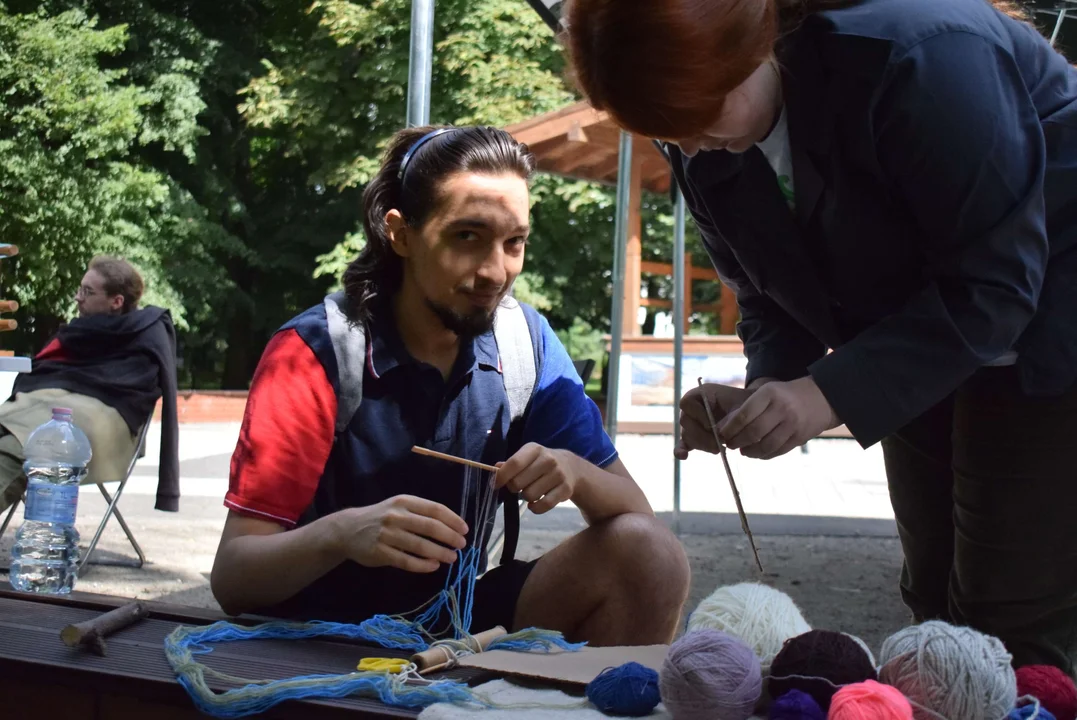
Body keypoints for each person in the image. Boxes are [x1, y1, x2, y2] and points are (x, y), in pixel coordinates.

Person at [563, 0, 1077, 672]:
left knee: (1008, 614)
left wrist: (827, 394)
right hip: (920, 336)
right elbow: (762, 286)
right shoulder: (697, 124)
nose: (686, 148)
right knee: (932, 595)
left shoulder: (921, 57)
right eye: (664, 130)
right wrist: (771, 388)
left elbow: (995, 283)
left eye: (695, 118)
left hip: (1051, 319)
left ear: (754, 47)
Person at [211, 125, 691, 646]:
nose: (495, 271)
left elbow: (638, 521)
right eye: (467, 237)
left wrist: (576, 472)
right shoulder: (318, 353)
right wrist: (342, 534)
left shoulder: (522, 343)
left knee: (653, 557)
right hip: (318, 637)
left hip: (458, 622)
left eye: (514, 243)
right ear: (401, 234)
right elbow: (234, 579)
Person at [0, 255, 180, 514]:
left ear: (116, 301)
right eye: (80, 289)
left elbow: (128, 396)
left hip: (104, 420)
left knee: (18, 449)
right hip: (45, 407)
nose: (78, 297)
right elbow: (43, 372)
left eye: (88, 291)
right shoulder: (76, 334)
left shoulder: (147, 334)